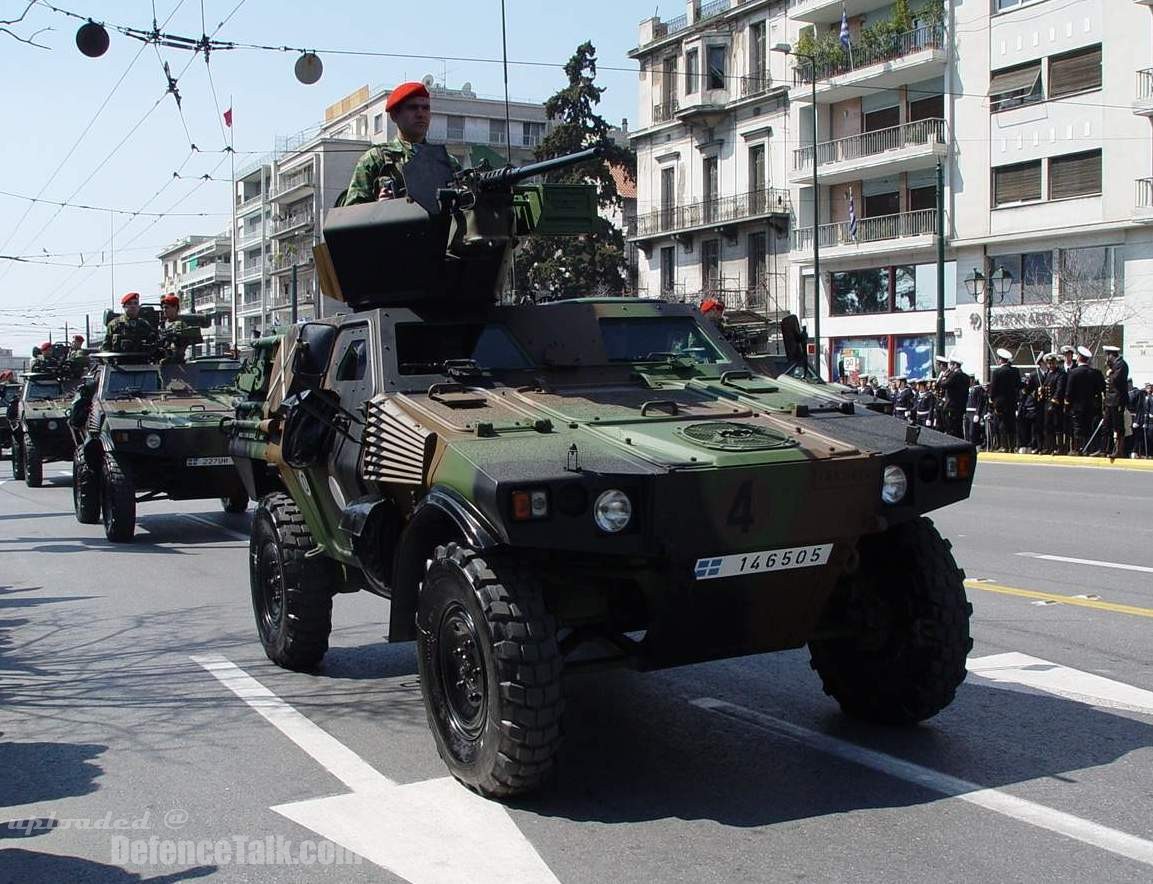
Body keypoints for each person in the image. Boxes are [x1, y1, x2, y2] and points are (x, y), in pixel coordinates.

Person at [341, 81, 461, 206]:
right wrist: (379, 207)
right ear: (394, 115)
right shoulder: (375, 160)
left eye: (426, 108)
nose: (420, 114)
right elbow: (352, 212)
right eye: (412, 108)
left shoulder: (446, 162)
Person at [1065, 346, 1104, 455]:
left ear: (1079, 358)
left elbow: (1069, 392)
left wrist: (1067, 406)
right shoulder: (1095, 373)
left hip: (1077, 406)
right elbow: (1100, 389)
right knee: (1088, 427)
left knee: (1078, 427)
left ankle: (1077, 449)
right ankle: (1088, 448)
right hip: (1091, 406)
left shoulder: (1073, 373)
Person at [989, 348, 1021, 452]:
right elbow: (1018, 385)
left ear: (1000, 359)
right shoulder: (1015, 371)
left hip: (1000, 402)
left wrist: (992, 399)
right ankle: (1012, 446)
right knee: (1011, 423)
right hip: (1012, 402)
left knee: (1002, 424)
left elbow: (993, 388)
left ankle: (1004, 446)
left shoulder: (997, 372)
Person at [1102, 345, 1129, 462]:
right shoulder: (1114, 365)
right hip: (1110, 400)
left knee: (1118, 426)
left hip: (1118, 400)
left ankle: (1119, 450)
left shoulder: (1121, 365)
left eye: (1107, 355)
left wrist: (1110, 372)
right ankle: (1105, 449)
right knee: (1106, 425)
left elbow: (1116, 379)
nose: (1107, 358)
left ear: (1111, 355)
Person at [157, 293, 200, 362]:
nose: (164, 310)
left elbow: (182, 345)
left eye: (167, 307)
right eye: (163, 308)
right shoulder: (162, 324)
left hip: (176, 362)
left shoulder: (179, 324)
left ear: (175, 308)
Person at [1039, 353, 1067, 454]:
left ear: (1056, 363)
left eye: (1052, 363)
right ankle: (1049, 447)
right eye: (1049, 363)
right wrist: (1041, 391)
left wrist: (1054, 400)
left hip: (1056, 404)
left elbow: (1059, 389)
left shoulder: (1061, 374)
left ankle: (1059, 448)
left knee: (1057, 426)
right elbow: (1046, 387)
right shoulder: (1048, 374)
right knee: (1047, 426)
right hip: (1046, 403)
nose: (1051, 365)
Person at [940, 354, 969, 438]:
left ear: (955, 365)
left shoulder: (954, 375)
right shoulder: (966, 377)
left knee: (951, 430)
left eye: (951, 365)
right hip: (961, 407)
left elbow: (943, 385)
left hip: (951, 407)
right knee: (959, 429)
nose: (950, 367)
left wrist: (944, 377)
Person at [1016, 374, 1040, 453]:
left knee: (1032, 431)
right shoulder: (1020, 391)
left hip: (1032, 411)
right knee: (1022, 430)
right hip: (1022, 412)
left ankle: (1031, 446)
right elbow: (1020, 400)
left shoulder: (1033, 390)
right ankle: (1023, 445)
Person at [964, 375, 988, 447]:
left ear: (973, 380)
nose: (969, 381)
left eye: (971, 380)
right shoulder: (968, 389)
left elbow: (980, 402)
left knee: (973, 432)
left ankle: (976, 445)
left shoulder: (978, 389)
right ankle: (969, 446)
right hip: (967, 412)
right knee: (967, 432)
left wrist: (977, 413)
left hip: (974, 413)